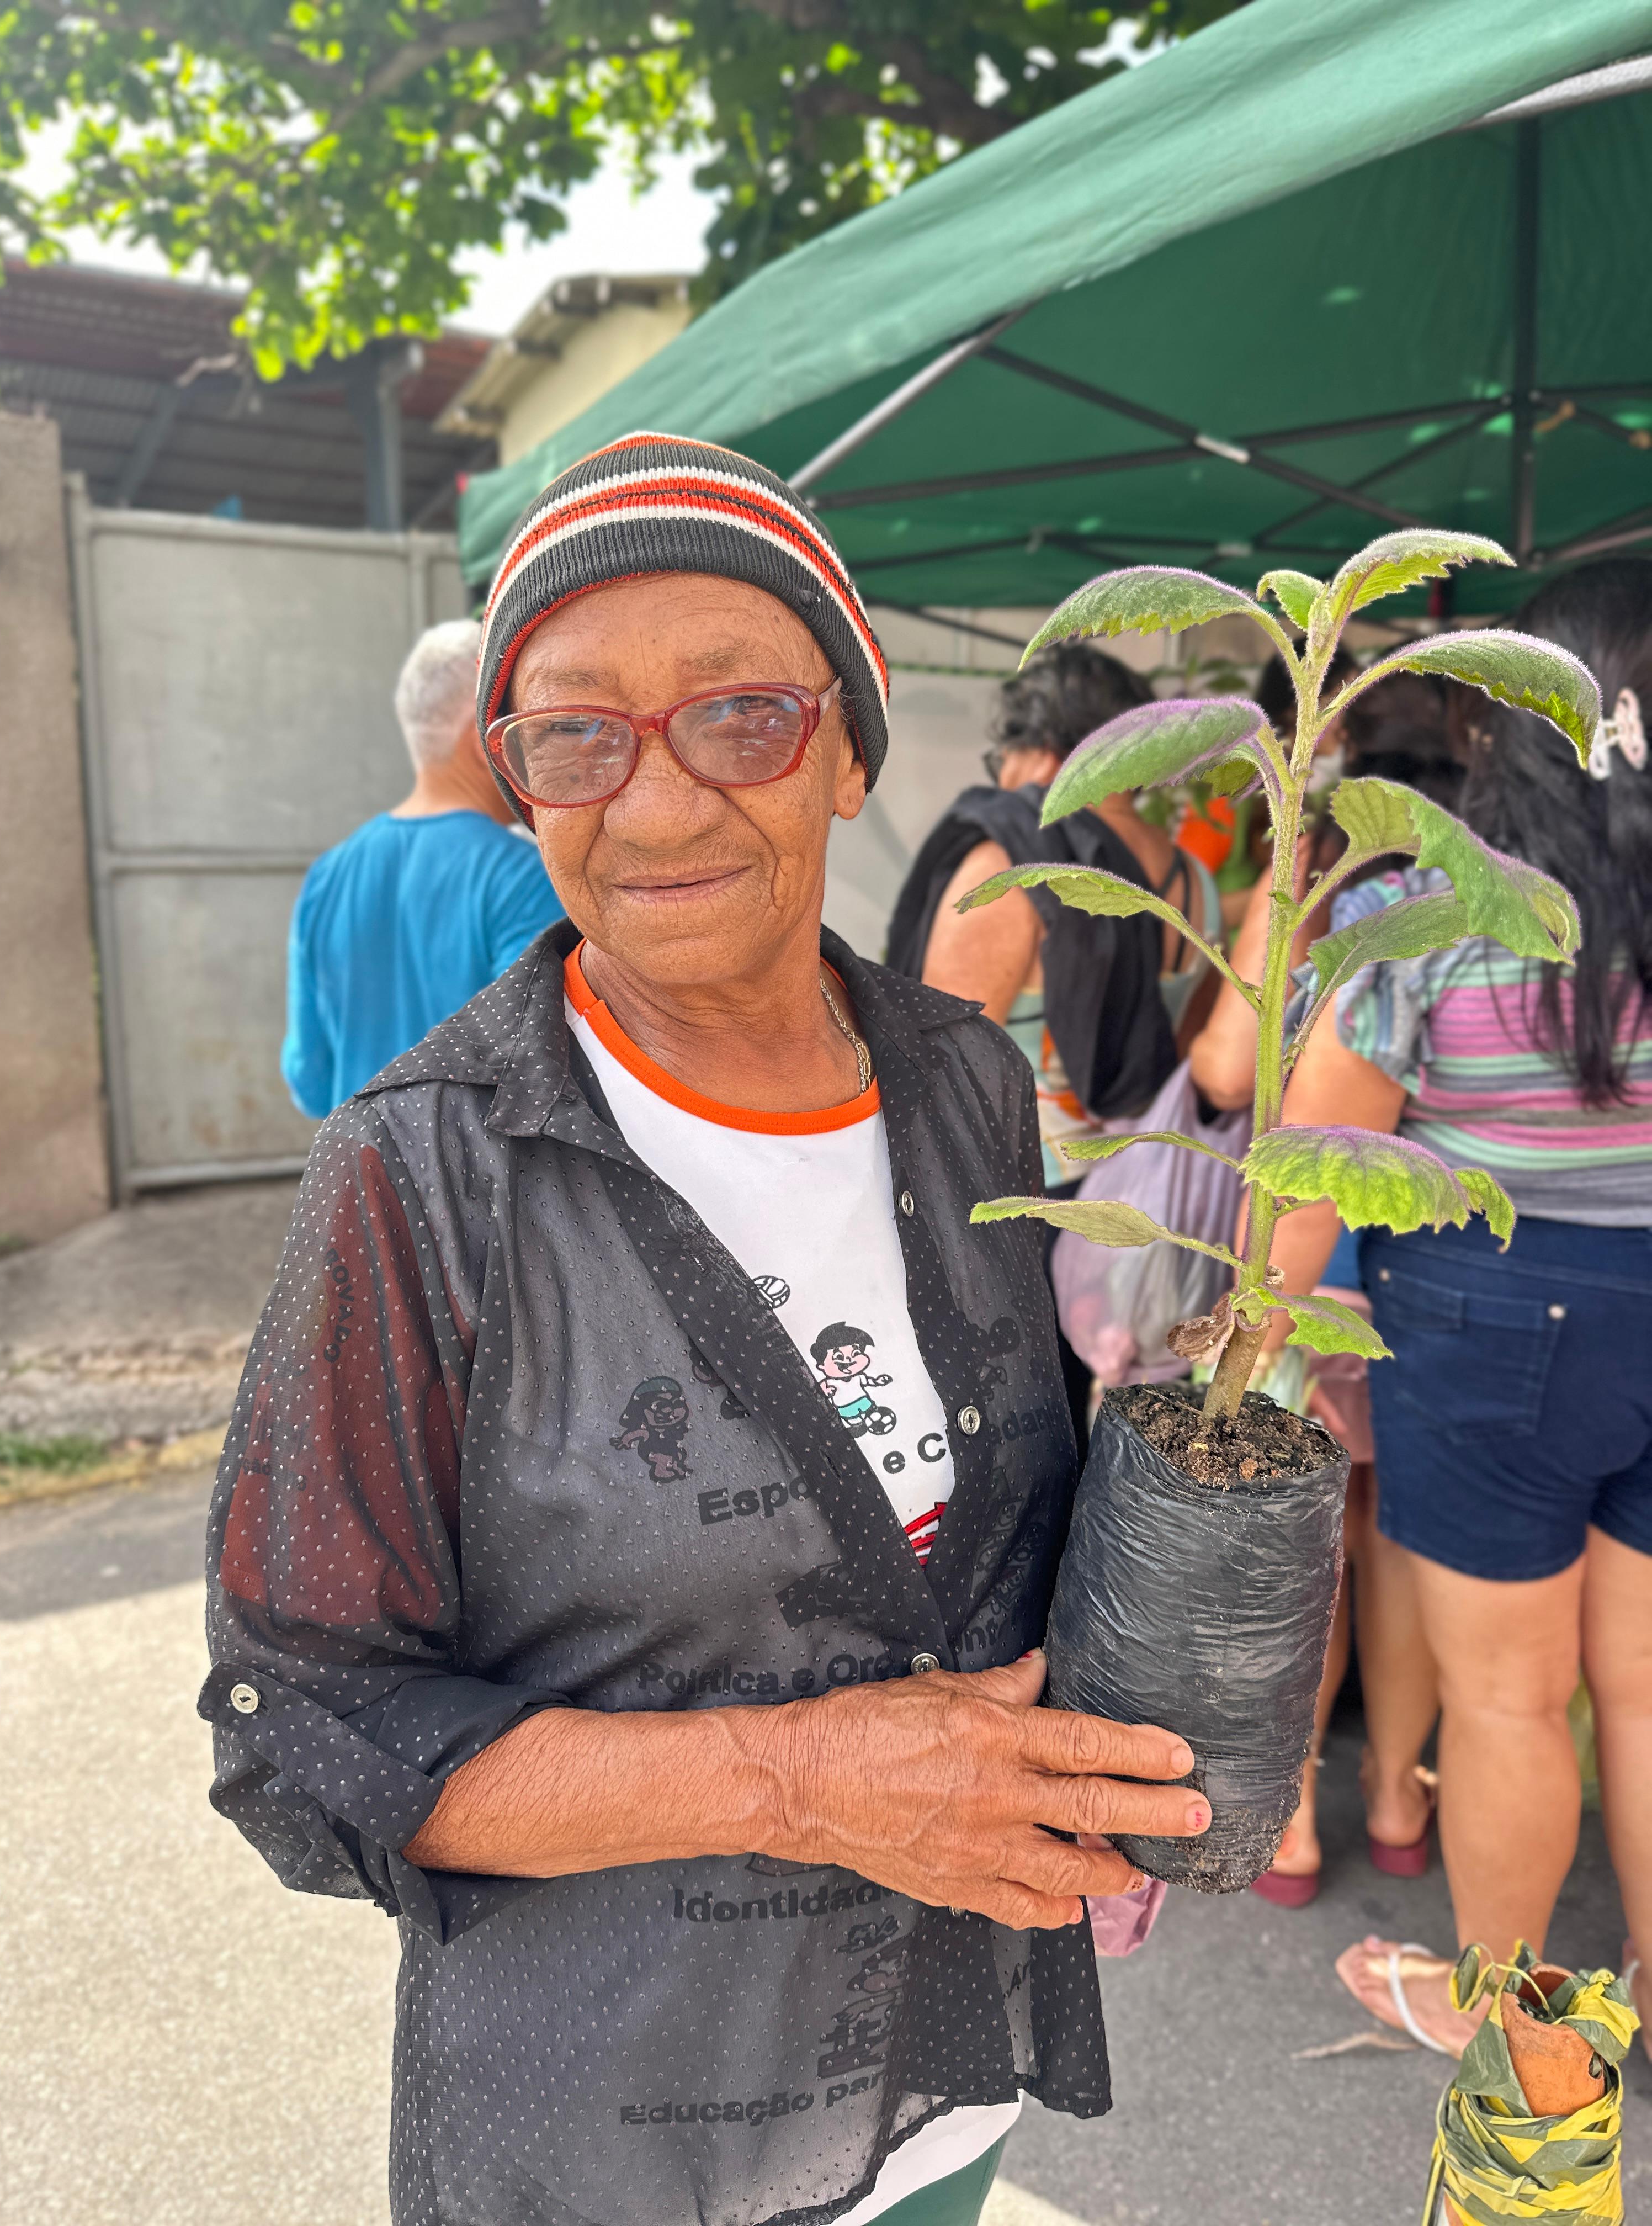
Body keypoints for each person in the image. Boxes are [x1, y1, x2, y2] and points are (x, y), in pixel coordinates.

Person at [202, 434, 1210, 2226]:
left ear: (844, 749)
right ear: (518, 784)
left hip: (935, 2087)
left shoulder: (965, 1080)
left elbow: (996, 1494)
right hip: (617, 2130)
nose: (654, 809)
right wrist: (811, 1777)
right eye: (577, 733)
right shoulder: (419, 1178)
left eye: (738, 715)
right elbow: (312, 1723)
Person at [1258, 558, 1652, 2057]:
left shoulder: (1430, 920)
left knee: (1508, 1702)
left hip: (1494, 1328)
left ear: (1517, 723)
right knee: (1646, 1691)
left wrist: (1244, 1355)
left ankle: (1512, 2026)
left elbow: (1316, 1163)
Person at [1189, 667, 1464, 1905]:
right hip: (1436, 1287)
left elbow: (1233, 1066)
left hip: (1308, 1272)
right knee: (1394, 1546)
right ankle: (1401, 1801)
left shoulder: (1344, 897)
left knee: (1305, 1559)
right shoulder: (1496, 903)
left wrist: (1288, 872)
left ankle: (1294, 1819)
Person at [886, 644, 1183, 1184]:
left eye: (1003, 758)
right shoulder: (1192, 878)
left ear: (1044, 750)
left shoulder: (1007, 868)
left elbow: (938, 1075)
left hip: (1023, 1199)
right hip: (1143, 1190)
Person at [280, 618, 566, 1116]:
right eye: (521, 724)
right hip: (477, 1188)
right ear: (483, 742)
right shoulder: (525, 879)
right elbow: (535, 1073)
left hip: (361, 1180)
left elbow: (309, 1077)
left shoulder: (328, 876)